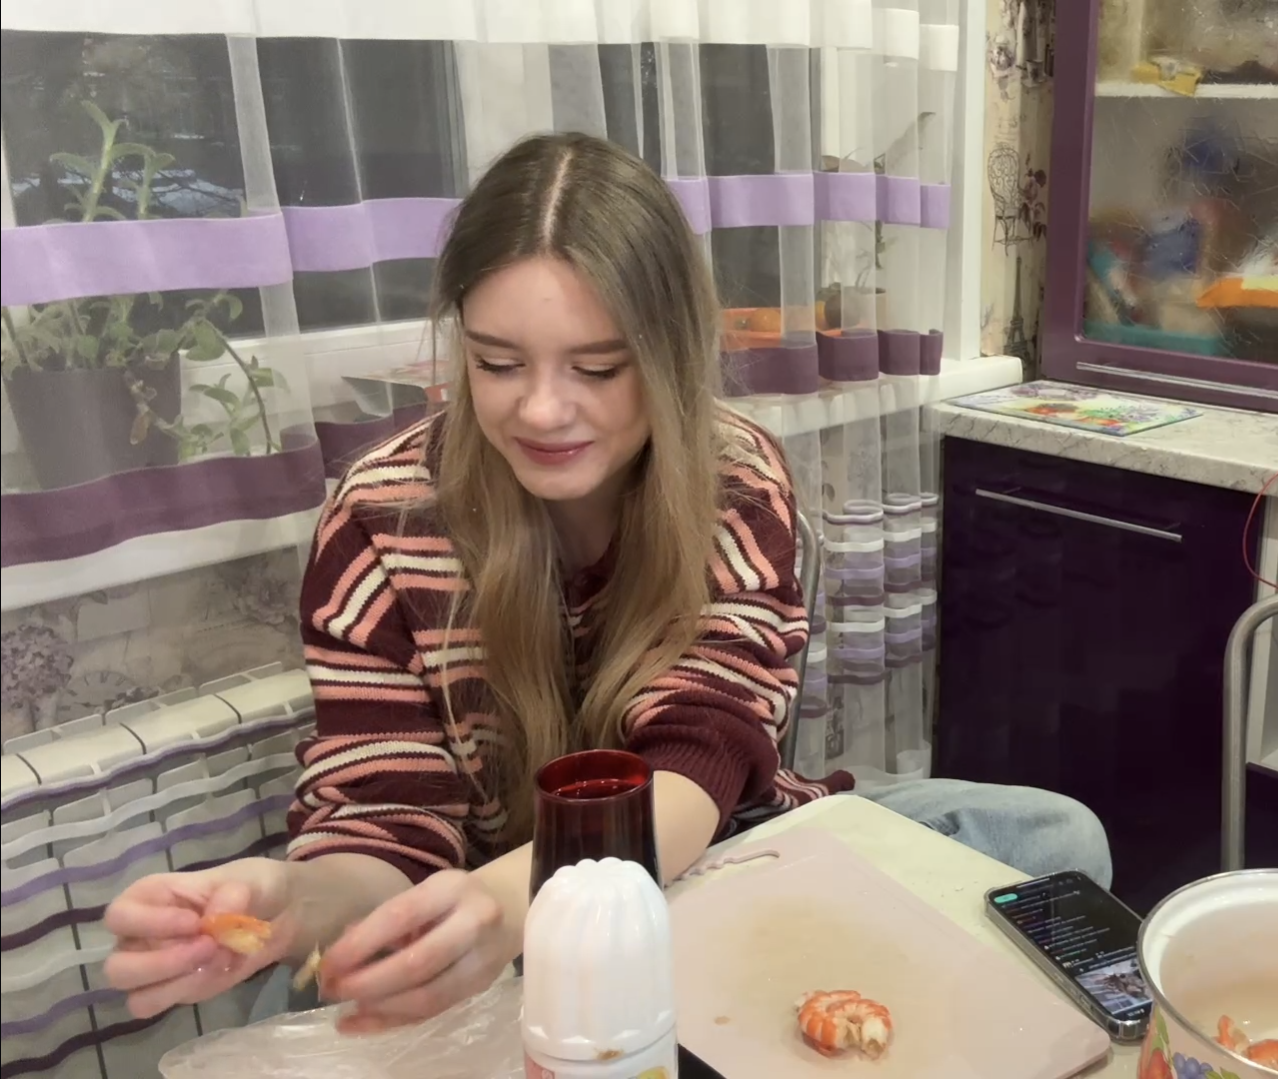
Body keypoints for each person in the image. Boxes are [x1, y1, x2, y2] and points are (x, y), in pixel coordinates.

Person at [101, 132, 1110, 1033]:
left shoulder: (734, 478)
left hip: (702, 852)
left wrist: (512, 905)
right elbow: (385, 815)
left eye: (597, 367)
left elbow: (699, 759)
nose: (543, 411)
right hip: (485, 899)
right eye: (498, 363)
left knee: (1052, 837)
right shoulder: (380, 515)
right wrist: (296, 902)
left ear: (669, 354)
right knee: (291, 1003)